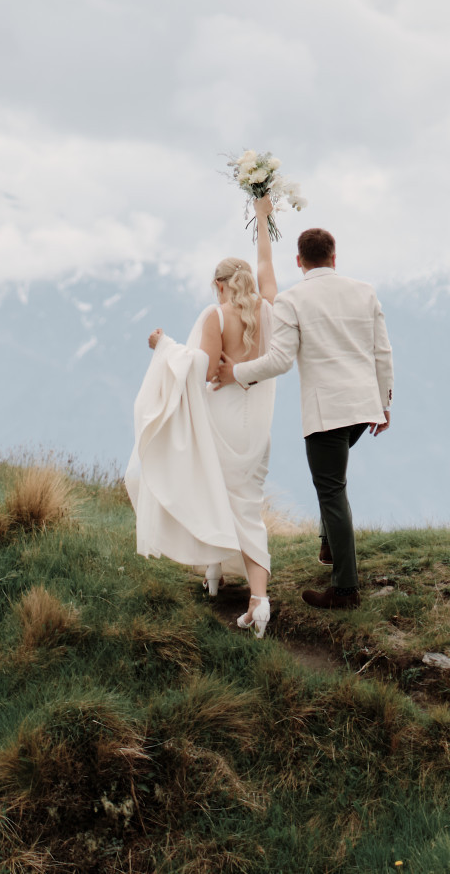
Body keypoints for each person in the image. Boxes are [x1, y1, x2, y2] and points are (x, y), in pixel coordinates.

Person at [210, 218, 392, 610]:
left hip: (327, 413)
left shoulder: (293, 300)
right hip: (364, 407)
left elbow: (280, 361)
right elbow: (382, 351)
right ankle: (329, 545)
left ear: (299, 261)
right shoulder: (365, 291)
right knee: (332, 481)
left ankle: (345, 590)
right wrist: (384, 402)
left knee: (332, 490)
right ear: (334, 257)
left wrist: (235, 373)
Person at [124, 199, 283, 635]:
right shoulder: (270, 309)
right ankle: (258, 600)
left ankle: (214, 573)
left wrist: (164, 347)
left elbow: (207, 371)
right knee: (247, 505)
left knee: (212, 490)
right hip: (257, 427)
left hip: (222, 420)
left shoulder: (216, 316)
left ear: (218, 285)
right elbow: (267, 264)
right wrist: (263, 216)